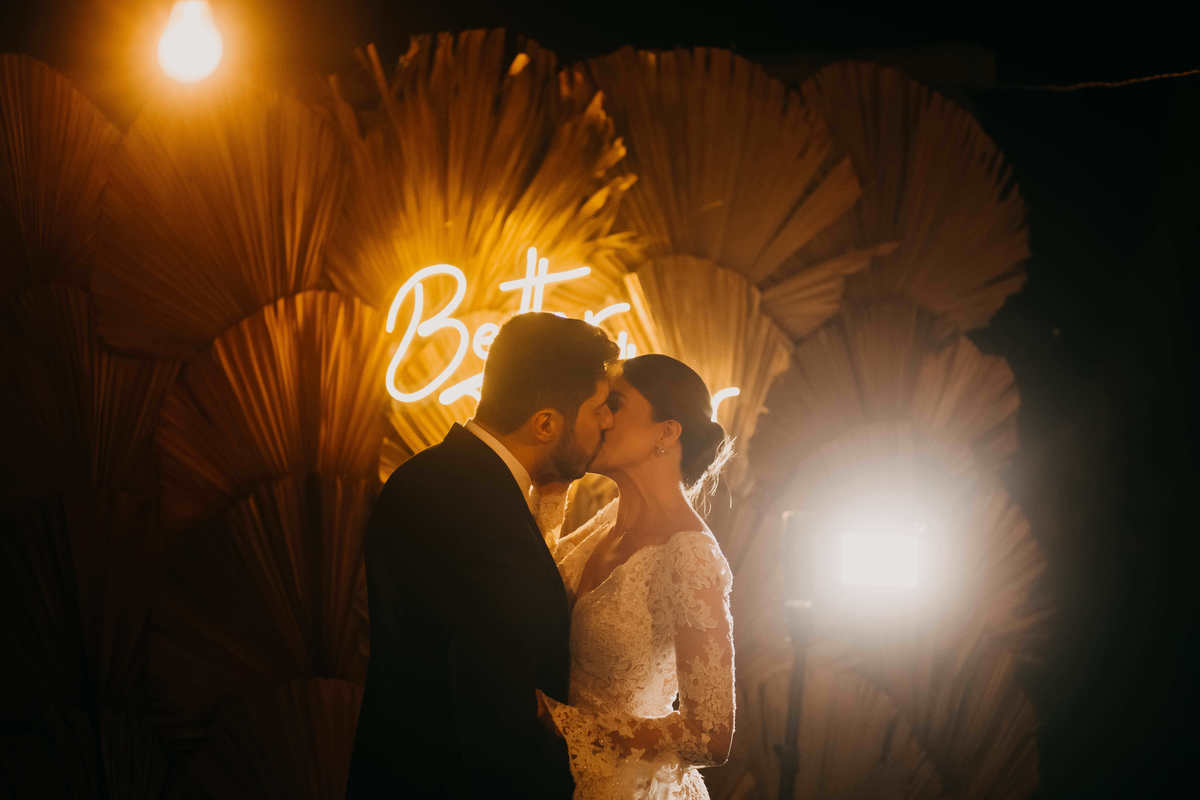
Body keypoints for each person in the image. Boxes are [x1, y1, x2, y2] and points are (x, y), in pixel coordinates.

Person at [346, 312, 619, 799]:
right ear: (544, 424)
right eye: (598, 407)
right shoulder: (477, 505)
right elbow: (485, 690)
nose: (608, 421)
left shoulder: (430, 475)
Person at [536, 353, 736, 799]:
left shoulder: (690, 554)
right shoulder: (609, 519)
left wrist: (567, 723)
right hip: (553, 777)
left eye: (616, 404)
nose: (601, 417)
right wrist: (550, 488)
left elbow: (711, 735)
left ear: (666, 431)